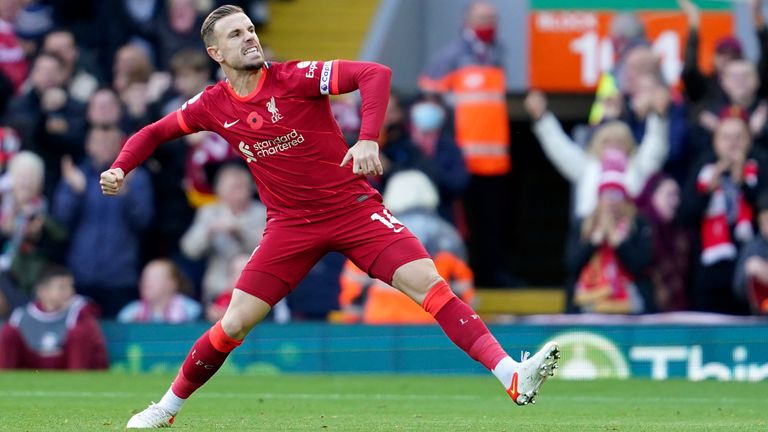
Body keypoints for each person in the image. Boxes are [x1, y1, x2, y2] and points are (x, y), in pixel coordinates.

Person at [104, 5, 560, 429]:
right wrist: (121, 166)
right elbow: (153, 131)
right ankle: (165, 409)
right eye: (235, 34)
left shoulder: (295, 77)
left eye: (250, 29)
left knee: (430, 284)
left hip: (352, 209)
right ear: (215, 52)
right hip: (290, 225)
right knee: (234, 322)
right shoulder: (211, 105)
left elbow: (374, 72)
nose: (249, 38)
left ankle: (512, 375)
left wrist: (366, 138)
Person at [419, 1, 514, 286]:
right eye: (483, 18)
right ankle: (467, 275)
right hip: (463, 158)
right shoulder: (452, 56)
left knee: (494, 223)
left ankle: (493, 274)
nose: (489, 24)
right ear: (468, 20)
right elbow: (429, 97)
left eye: (492, 19)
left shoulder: (497, 54)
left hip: (495, 159)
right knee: (465, 224)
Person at [338, 170, 474, 324]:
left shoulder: (377, 230)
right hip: (432, 327)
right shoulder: (447, 235)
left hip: (381, 324)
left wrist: (352, 322)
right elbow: (463, 290)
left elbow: (355, 286)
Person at [523, 90, 668, 218]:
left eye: (620, 141)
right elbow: (560, 148)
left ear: (630, 144)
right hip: (591, 238)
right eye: (607, 141)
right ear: (597, 145)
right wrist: (542, 118)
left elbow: (655, 145)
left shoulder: (637, 165)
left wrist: (658, 117)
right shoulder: (589, 167)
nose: (614, 146)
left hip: (629, 239)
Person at [680, 110, 760, 315]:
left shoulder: (761, 165)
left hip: (748, 266)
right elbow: (685, 215)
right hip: (710, 269)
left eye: (738, 137)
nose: (732, 144)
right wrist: (706, 191)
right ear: (715, 141)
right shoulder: (702, 166)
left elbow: (763, 210)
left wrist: (743, 182)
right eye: (725, 137)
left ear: (749, 140)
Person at [565, 152, 655, 314]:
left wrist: (620, 244)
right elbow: (572, 265)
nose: (611, 201)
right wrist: (593, 242)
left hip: (631, 306)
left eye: (617, 195)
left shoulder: (637, 224)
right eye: (607, 194)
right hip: (587, 306)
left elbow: (641, 267)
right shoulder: (583, 225)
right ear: (598, 198)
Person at [180, 162, 266, 303]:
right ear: (219, 189)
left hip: (255, 291)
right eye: (232, 187)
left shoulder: (261, 212)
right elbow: (189, 250)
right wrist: (207, 232)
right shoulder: (209, 212)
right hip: (217, 289)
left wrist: (240, 232)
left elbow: (268, 251)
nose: (237, 193)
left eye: (241, 187)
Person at [0, 265, 108, 370]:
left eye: (71, 286)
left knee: (80, 332)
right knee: (8, 332)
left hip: (67, 363)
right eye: (62, 287)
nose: (70, 292)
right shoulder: (21, 315)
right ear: (42, 291)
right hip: (33, 363)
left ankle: (77, 381)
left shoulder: (80, 310)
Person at [117, 259, 201, 323]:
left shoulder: (192, 311)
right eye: (144, 277)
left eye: (155, 277)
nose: (146, 282)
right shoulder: (129, 313)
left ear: (172, 284)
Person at [733, 193, 768, 314]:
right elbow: (738, 289)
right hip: (761, 319)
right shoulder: (752, 248)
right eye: (765, 220)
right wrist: (749, 273)